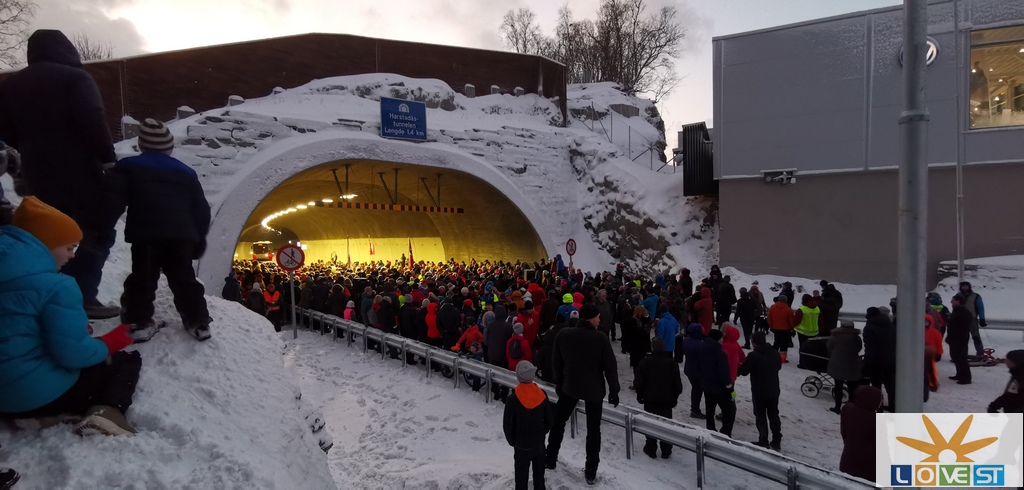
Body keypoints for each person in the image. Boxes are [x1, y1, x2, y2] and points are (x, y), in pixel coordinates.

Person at [0, 30, 120, 320]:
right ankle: (82, 297)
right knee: (95, 232)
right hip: (80, 174)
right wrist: (108, 160)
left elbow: (6, 133)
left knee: (49, 235)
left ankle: (48, 295)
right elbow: (92, 119)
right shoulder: (75, 79)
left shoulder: (11, 85)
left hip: (38, 177)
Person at [0, 197, 141, 436]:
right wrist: (110, 342)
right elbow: (73, 355)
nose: (73, 255)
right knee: (125, 361)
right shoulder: (57, 287)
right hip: (30, 395)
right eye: (69, 247)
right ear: (47, 244)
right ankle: (107, 413)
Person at [105, 119, 212, 341]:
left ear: (141, 146)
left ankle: (139, 322)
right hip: (181, 237)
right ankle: (198, 322)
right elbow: (201, 210)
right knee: (184, 279)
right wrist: (199, 239)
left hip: (146, 234)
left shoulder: (129, 167)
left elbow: (112, 200)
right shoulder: (186, 173)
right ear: (170, 147)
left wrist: (101, 226)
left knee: (142, 278)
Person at [546, 303, 620, 485]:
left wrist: (559, 382)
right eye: (597, 317)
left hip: (569, 387)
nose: (600, 320)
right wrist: (614, 390)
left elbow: (556, 361)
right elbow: (610, 366)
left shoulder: (565, 334)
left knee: (558, 422)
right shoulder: (600, 339)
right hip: (594, 390)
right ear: (590, 319)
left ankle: (550, 458)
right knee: (593, 431)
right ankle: (590, 471)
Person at [503, 361, 553, 490]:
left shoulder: (512, 399)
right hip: (539, 445)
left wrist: (513, 441)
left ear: (518, 375)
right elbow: (550, 421)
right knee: (539, 480)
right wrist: (541, 433)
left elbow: (507, 424)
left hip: (521, 446)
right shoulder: (542, 395)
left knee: (521, 481)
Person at [634, 337, 683, 459]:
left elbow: (638, 382)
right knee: (666, 424)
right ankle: (666, 449)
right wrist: (675, 397)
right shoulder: (671, 364)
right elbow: (677, 384)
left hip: (650, 399)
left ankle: (651, 447)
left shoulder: (645, 362)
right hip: (667, 400)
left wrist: (639, 394)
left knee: (650, 423)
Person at [737, 332, 782, 450]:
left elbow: (743, 371)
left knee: (760, 415)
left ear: (754, 342)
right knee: (773, 414)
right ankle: (776, 440)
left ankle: (763, 439)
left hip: (759, 391)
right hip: (773, 389)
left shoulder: (753, 355)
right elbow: (778, 366)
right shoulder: (774, 352)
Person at [839, 385, 883, 482]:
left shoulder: (847, 409)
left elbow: (844, 433)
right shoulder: (876, 420)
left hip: (847, 460)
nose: (881, 403)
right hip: (869, 468)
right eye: (880, 399)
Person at [700, 329, 735, 437]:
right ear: (716, 339)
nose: (722, 340)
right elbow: (723, 373)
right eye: (721, 338)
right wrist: (730, 387)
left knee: (710, 410)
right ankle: (725, 432)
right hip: (720, 388)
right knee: (729, 410)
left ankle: (710, 430)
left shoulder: (702, 348)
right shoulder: (720, 354)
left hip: (706, 385)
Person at [863, 307, 896, 412]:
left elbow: (870, 347)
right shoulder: (891, 325)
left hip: (876, 362)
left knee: (876, 386)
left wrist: (866, 363)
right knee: (890, 385)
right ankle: (893, 406)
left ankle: (879, 407)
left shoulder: (869, 328)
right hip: (891, 359)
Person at [827, 321, 863, 414]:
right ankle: (851, 407)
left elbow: (829, 347)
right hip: (852, 363)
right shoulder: (856, 337)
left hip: (837, 362)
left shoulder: (835, 336)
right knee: (852, 387)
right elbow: (859, 348)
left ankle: (837, 407)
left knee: (838, 386)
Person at [946, 295, 973, 384]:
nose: (951, 302)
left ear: (958, 301)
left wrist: (955, 338)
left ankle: (966, 378)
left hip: (960, 340)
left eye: (953, 300)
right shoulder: (957, 311)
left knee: (961, 358)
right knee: (955, 357)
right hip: (954, 339)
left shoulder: (964, 312)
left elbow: (962, 328)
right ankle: (959, 374)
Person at [681, 323, 705, 419]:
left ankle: (695, 408)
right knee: (697, 390)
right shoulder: (701, 345)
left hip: (689, 368)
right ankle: (695, 410)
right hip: (698, 371)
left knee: (695, 389)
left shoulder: (686, 341)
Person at [957, 281, 987, 357]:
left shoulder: (976, 296)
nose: (965, 288)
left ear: (969, 287)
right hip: (961, 320)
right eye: (963, 286)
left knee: (975, 336)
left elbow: (981, 308)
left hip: (972, 319)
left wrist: (982, 319)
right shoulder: (958, 296)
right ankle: (962, 353)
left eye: (966, 286)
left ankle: (980, 352)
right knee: (962, 338)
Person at [792, 294, 820, 368]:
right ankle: (812, 362)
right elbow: (821, 320)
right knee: (812, 348)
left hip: (803, 332)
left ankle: (803, 364)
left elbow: (796, 321)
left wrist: (792, 327)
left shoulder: (802, 309)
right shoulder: (817, 308)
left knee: (803, 348)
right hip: (814, 331)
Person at [767, 296, 795, 363]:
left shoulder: (772, 307)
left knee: (776, 342)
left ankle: (772, 356)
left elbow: (769, 318)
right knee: (784, 344)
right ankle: (782, 359)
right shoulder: (788, 310)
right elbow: (791, 321)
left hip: (776, 328)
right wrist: (793, 328)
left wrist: (771, 326)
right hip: (786, 329)